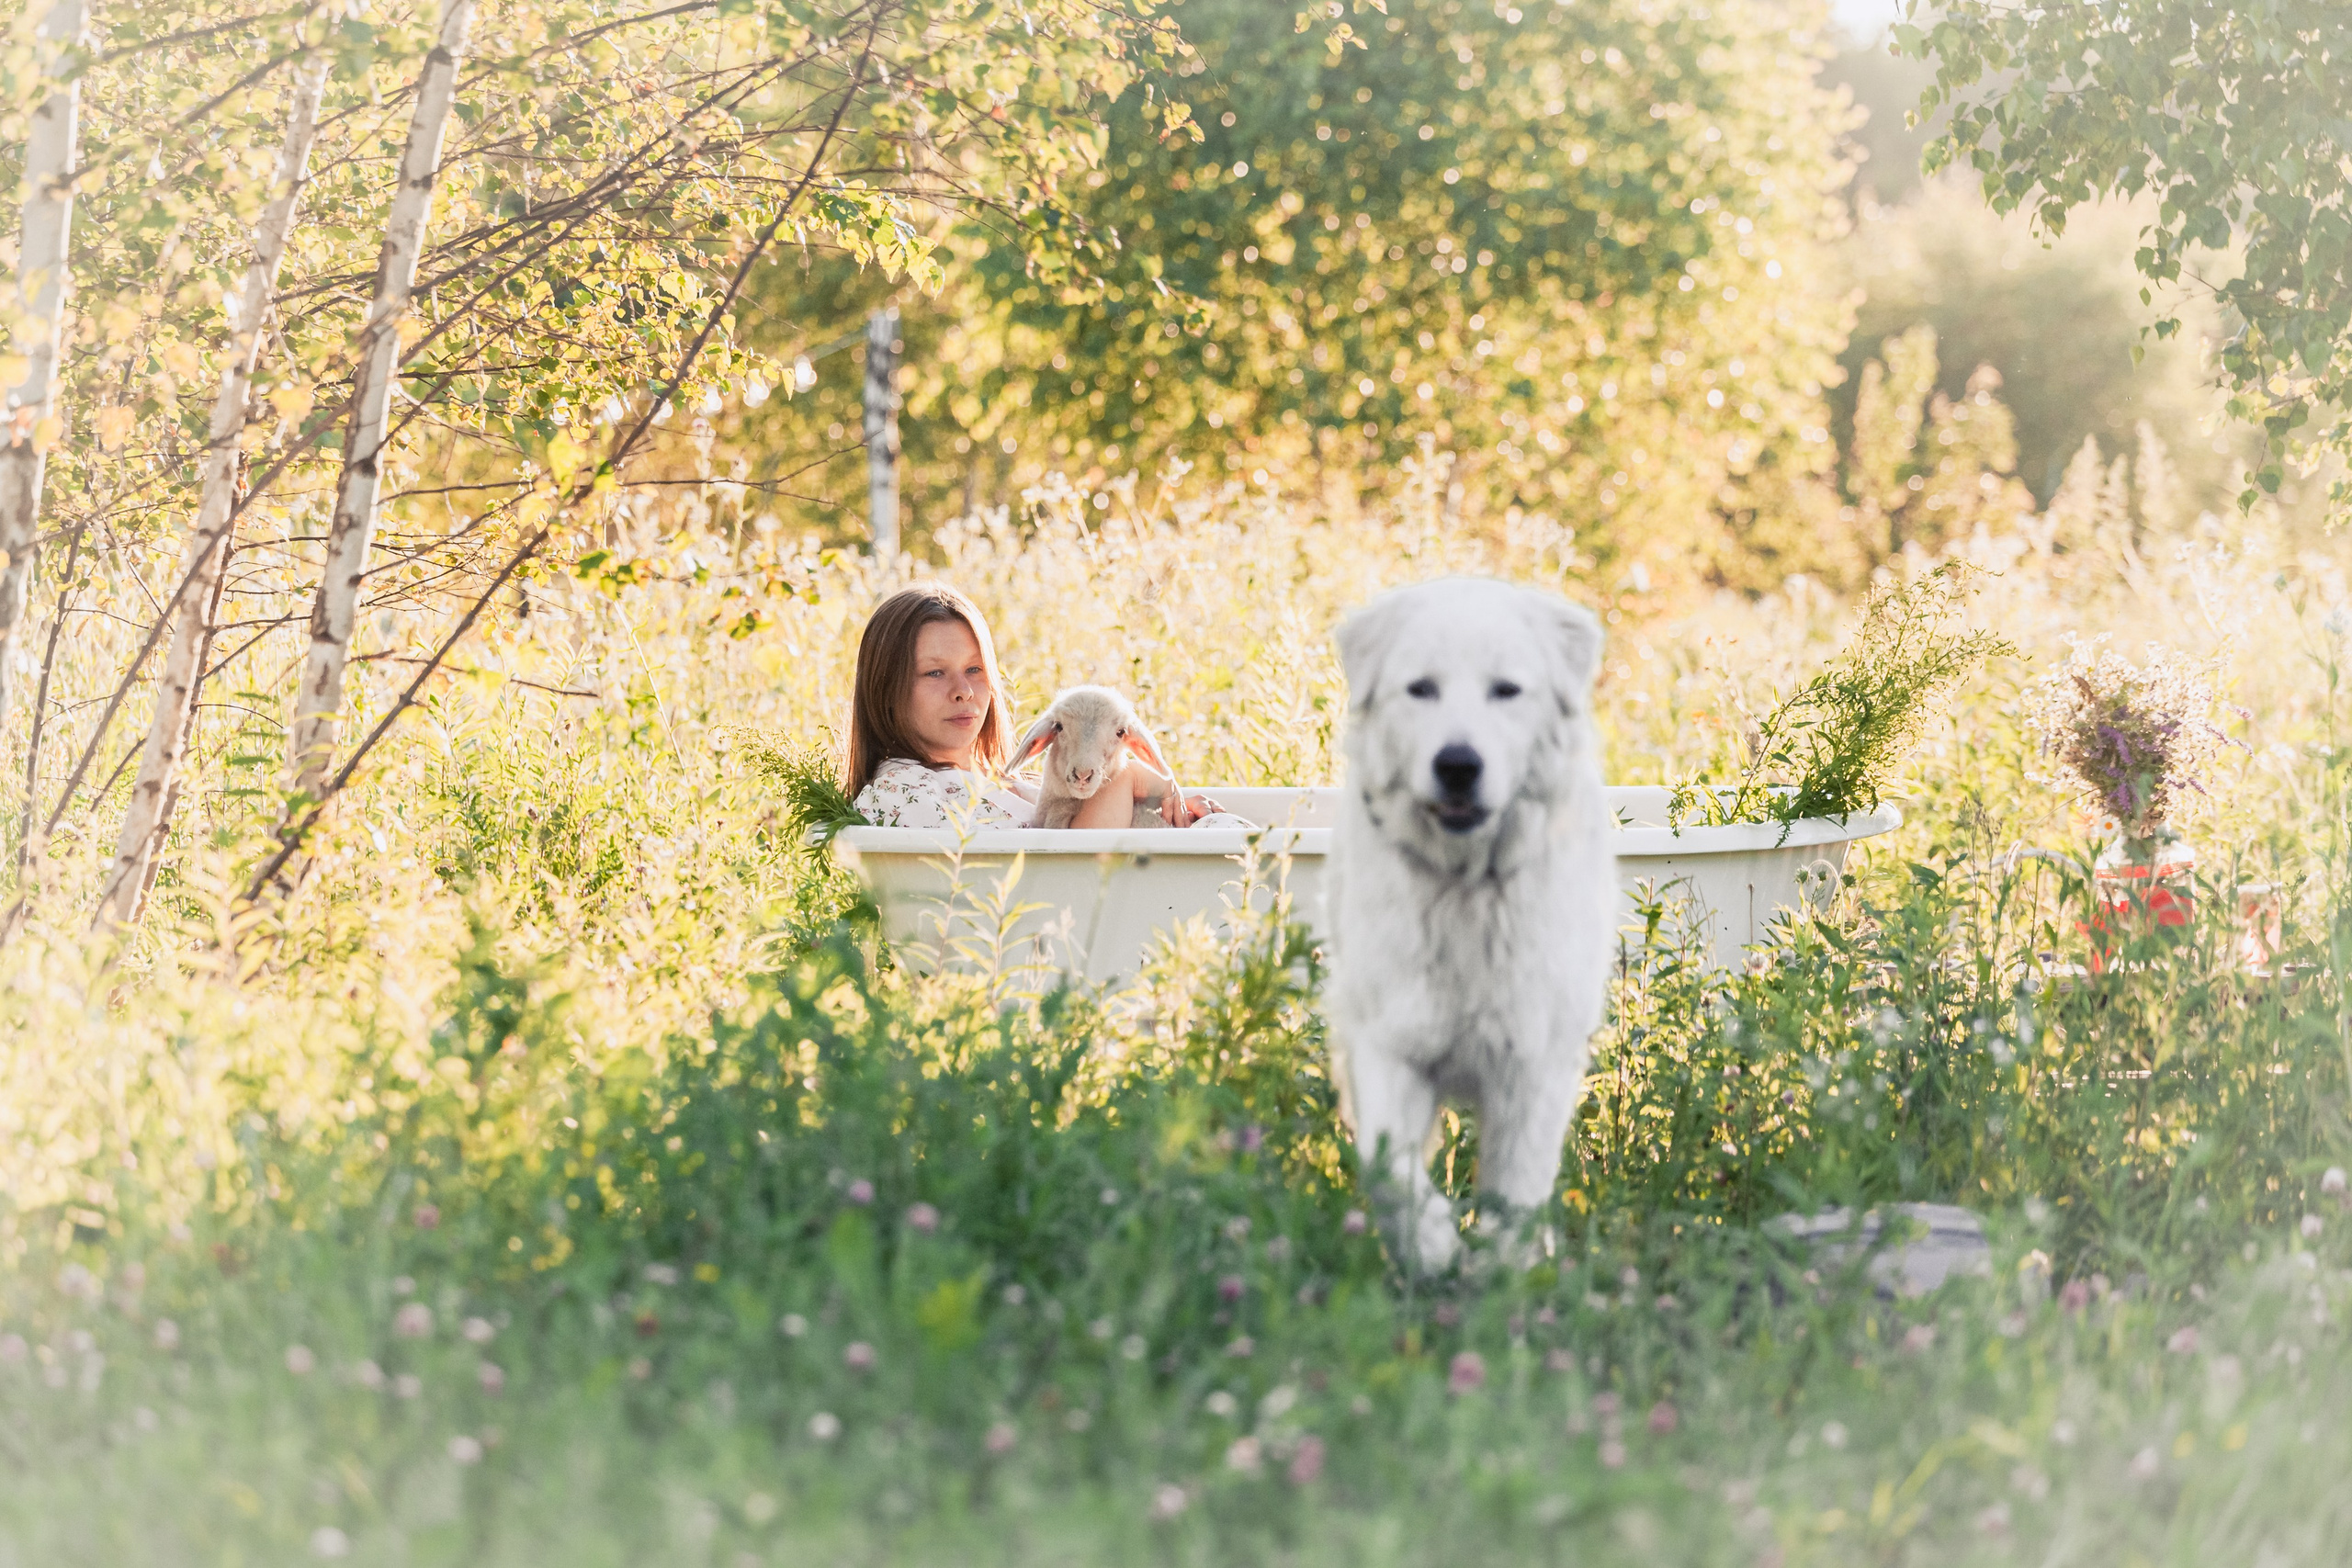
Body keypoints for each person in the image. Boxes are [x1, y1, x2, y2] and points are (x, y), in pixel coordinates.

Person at [845, 584, 1222, 830]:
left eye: (975, 669)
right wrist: (1128, 779)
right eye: (934, 673)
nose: (964, 691)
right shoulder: (901, 790)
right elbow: (1068, 878)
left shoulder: (1005, 782)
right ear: (886, 687)